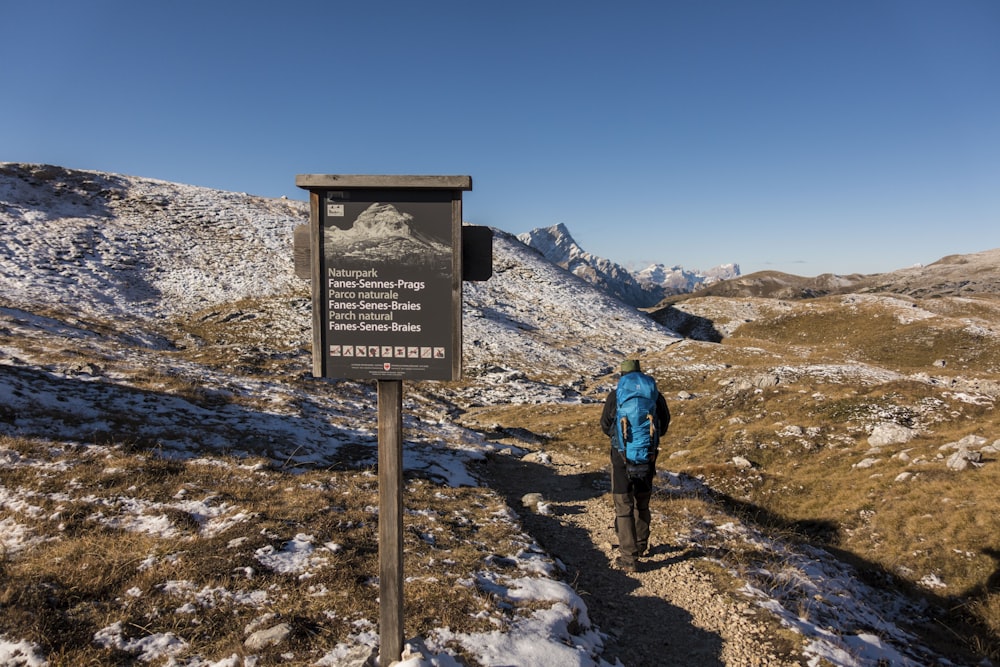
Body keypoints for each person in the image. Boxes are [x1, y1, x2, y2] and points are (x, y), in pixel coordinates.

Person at [600, 358, 670, 572]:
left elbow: (605, 425)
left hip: (621, 456)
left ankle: (628, 557)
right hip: (647, 455)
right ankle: (641, 544)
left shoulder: (616, 395)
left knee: (623, 505)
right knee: (642, 501)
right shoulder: (654, 395)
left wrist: (621, 439)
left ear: (622, 375)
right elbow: (664, 424)